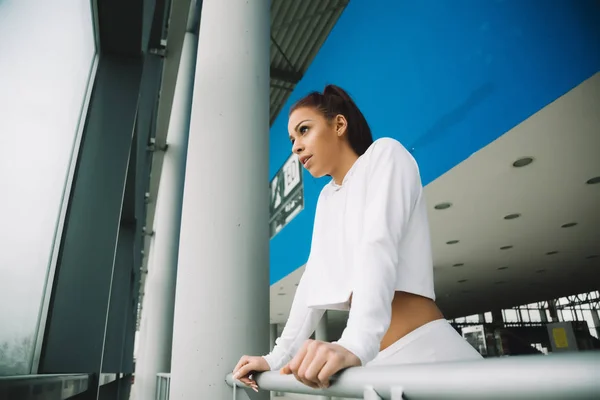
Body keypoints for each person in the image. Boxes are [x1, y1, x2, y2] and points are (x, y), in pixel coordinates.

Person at [233, 84, 482, 392]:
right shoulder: (327, 197)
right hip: (373, 369)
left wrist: (354, 342)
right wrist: (276, 357)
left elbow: (378, 244)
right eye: (292, 139)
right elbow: (313, 278)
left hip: (428, 354)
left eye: (304, 130)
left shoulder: (385, 154)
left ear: (339, 124)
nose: (296, 147)